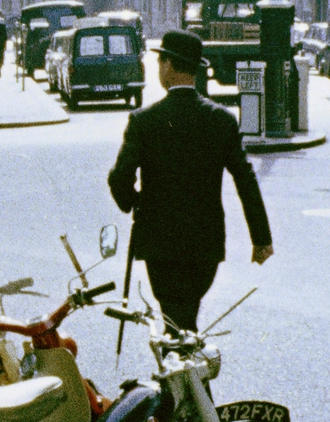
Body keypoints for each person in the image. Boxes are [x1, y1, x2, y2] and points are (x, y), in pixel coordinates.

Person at [107, 30, 273, 331]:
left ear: (168, 66)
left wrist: (135, 203)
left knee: (177, 324)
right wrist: (261, 239)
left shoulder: (144, 121)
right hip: (205, 245)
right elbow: (245, 180)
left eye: (161, 63)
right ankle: (188, 372)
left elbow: (119, 179)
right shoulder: (221, 119)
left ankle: (186, 375)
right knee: (184, 319)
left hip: (161, 245)